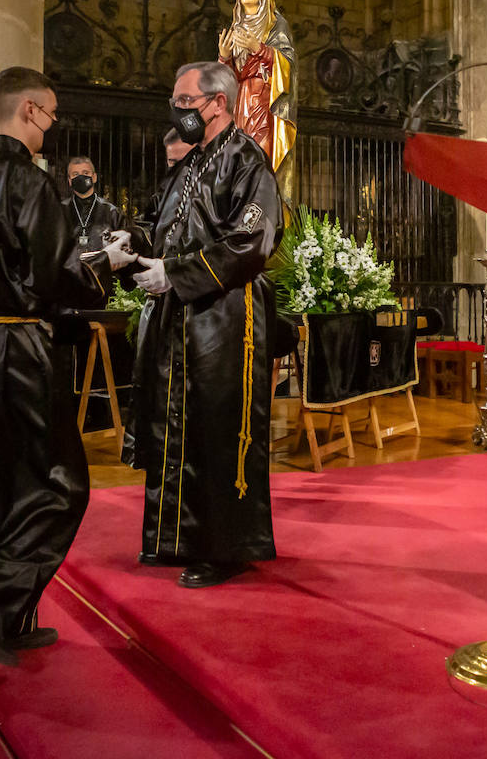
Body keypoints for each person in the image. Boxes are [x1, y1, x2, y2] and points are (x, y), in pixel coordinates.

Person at [0, 66, 136, 666]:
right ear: (31, 110)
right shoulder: (31, 186)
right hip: (14, 350)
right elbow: (61, 276)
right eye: (53, 114)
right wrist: (104, 265)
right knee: (58, 486)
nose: (52, 127)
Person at [122, 61, 281, 588]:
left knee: (219, 429)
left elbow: (250, 243)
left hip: (226, 315)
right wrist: (131, 247)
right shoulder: (189, 165)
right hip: (180, 314)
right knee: (176, 425)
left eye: (185, 101)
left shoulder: (248, 162)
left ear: (218, 102)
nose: (178, 111)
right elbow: (159, 225)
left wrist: (178, 273)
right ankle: (175, 539)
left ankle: (226, 549)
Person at [218, 0, 296, 173]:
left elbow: (288, 66)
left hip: (263, 100)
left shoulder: (275, 25)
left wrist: (259, 48)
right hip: (240, 102)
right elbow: (227, 82)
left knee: (258, 158)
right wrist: (224, 58)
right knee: (237, 159)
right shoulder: (236, 28)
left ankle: (258, 202)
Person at [63, 156, 124, 254]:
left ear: (94, 177)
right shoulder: (59, 210)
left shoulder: (112, 212)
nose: (81, 177)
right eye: (75, 174)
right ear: (70, 181)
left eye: (86, 173)